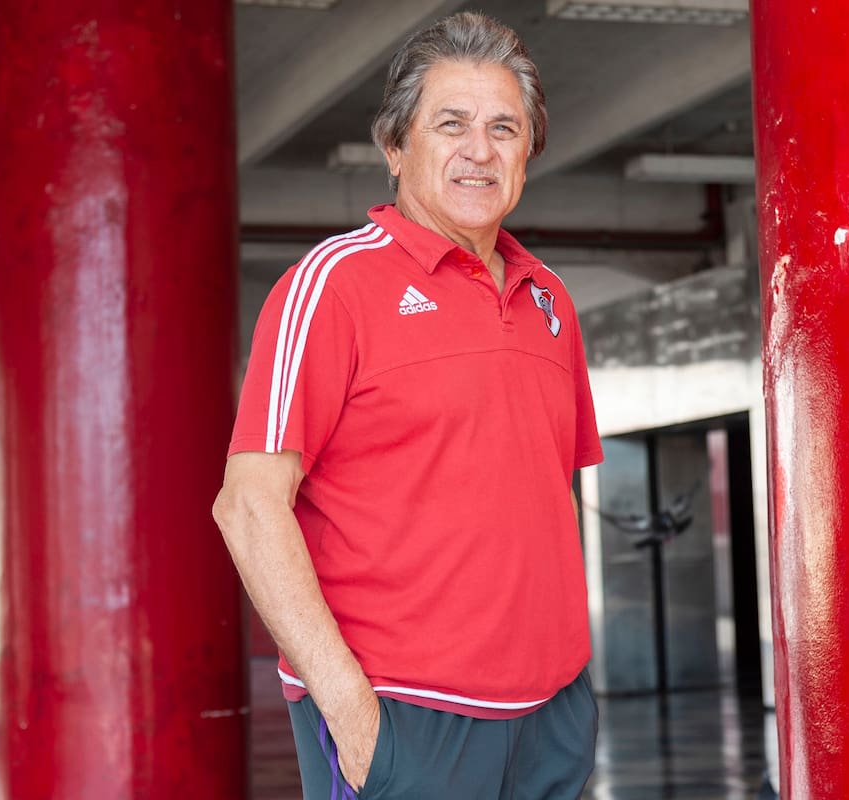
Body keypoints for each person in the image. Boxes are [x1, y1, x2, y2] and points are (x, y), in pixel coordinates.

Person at [213, 11, 603, 799]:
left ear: (527, 152)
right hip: (403, 715)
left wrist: (572, 688)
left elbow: (548, 494)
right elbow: (249, 508)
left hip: (552, 717)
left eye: (504, 128)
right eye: (451, 124)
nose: (480, 150)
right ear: (395, 148)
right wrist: (354, 717)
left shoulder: (550, 300)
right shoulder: (333, 287)